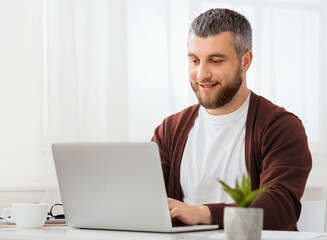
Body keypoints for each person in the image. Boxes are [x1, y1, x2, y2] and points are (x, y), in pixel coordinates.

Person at [151, 8, 312, 230]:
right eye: (195, 60)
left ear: (245, 61)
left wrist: (203, 213)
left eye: (215, 61)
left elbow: (280, 207)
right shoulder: (169, 130)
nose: (201, 74)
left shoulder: (281, 127)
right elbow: (147, 202)